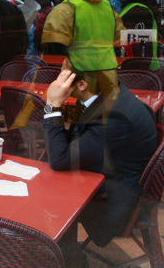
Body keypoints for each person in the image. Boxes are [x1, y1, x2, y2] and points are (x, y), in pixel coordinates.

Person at [42, 58, 157, 264]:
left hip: (115, 201)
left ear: (82, 84)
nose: (56, 80)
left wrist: (52, 105)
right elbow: (73, 144)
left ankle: (70, 260)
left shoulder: (113, 116)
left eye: (62, 75)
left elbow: (60, 160)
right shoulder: (106, 93)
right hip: (111, 174)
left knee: (52, 197)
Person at [42, 0, 124, 95]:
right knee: (106, 112)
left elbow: (52, 49)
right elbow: (120, 38)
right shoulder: (108, 8)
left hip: (77, 78)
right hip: (108, 75)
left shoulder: (63, 10)